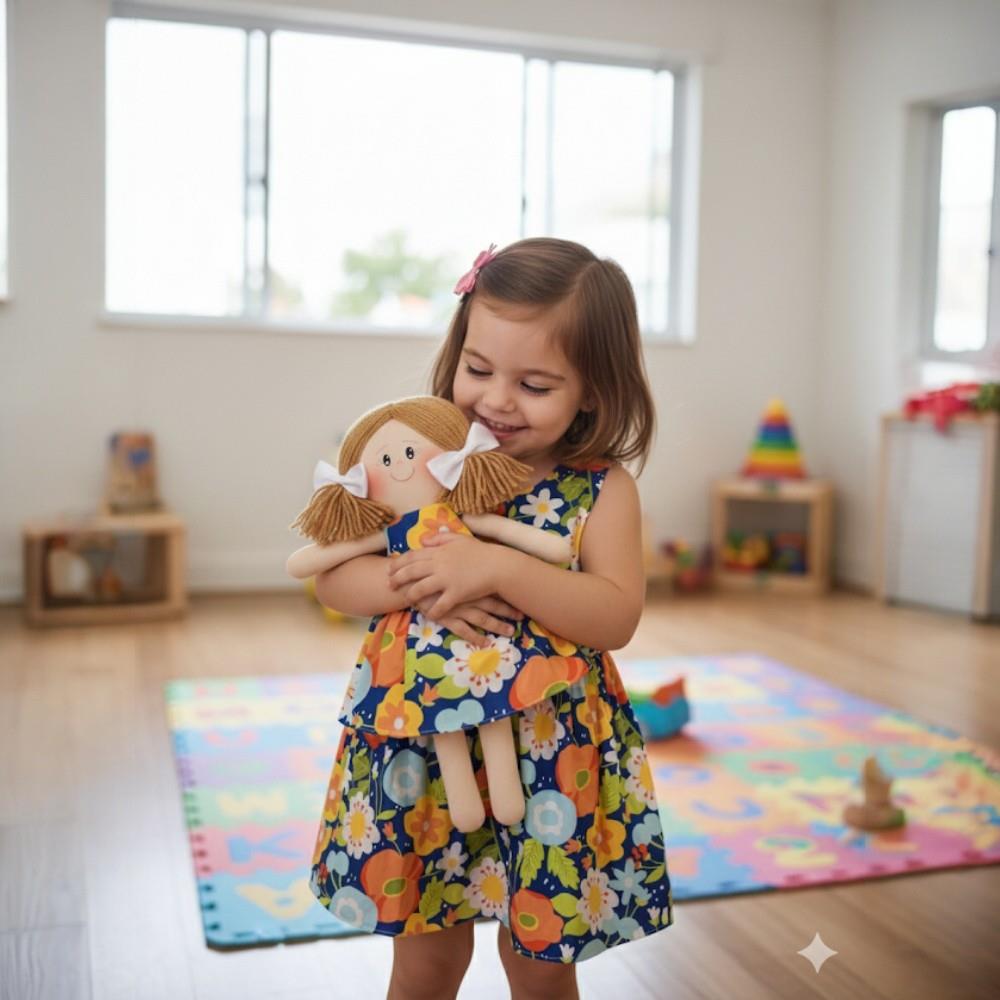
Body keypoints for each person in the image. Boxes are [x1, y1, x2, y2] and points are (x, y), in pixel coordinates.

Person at [309, 238, 674, 1000]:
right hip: (419, 754)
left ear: (595, 392)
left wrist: (503, 567)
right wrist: (420, 578)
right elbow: (337, 577)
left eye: (535, 384)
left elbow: (615, 613)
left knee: (540, 964)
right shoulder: (420, 460)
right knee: (425, 962)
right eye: (479, 370)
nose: (496, 400)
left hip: (549, 759)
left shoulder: (601, 490)